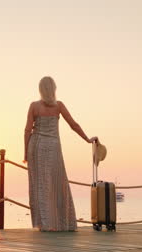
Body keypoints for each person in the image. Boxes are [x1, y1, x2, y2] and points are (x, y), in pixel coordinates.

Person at [23, 76, 98, 232]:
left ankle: (45, 224)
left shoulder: (34, 106)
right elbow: (73, 124)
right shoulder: (59, 106)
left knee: (40, 185)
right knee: (58, 183)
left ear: (40, 89)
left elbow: (27, 130)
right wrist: (86, 139)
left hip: (36, 147)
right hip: (53, 147)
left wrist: (25, 153)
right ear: (54, 89)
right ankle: (62, 222)